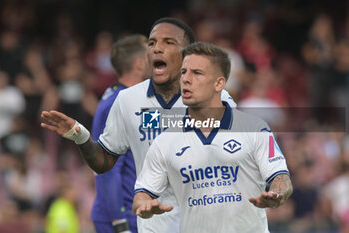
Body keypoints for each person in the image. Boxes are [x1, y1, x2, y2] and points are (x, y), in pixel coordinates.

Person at [41, 17, 236, 233]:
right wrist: (80, 135)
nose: (157, 49)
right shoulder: (126, 101)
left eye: (168, 42)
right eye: (152, 43)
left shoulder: (217, 99)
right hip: (148, 222)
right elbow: (105, 163)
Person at [133, 42, 293, 233]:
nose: (185, 79)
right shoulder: (164, 141)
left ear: (219, 83)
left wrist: (277, 194)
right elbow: (142, 194)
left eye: (197, 73)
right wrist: (144, 206)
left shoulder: (255, 128)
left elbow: (281, 177)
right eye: (183, 72)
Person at [91, 34, 149, 233]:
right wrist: (119, 221)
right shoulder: (119, 103)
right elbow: (108, 166)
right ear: (140, 64)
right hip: (123, 216)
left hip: (133, 212)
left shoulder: (125, 97)